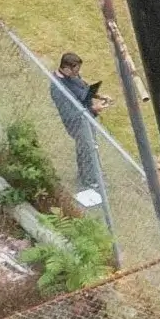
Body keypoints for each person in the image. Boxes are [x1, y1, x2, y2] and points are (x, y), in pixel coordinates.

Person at [50, 52, 110, 210]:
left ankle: (88, 175)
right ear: (66, 69)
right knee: (87, 148)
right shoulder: (58, 88)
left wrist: (98, 95)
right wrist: (94, 109)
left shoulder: (72, 77)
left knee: (89, 146)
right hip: (77, 122)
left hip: (86, 116)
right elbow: (71, 113)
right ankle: (90, 182)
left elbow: (82, 89)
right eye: (75, 71)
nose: (77, 74)